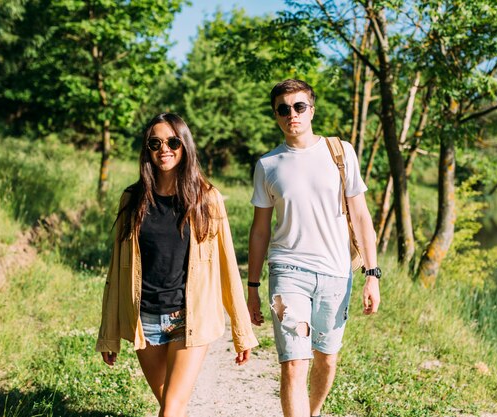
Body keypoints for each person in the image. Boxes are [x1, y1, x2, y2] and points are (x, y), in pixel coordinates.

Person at [96, 112, 258, 417]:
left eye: (172, 141)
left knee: (170, 410)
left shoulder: (207, 199)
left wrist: (242, 331)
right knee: (171, 406)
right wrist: (110, 332)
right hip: (145, 321)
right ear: (147, 149)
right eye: (154, 143)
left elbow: (227, 268)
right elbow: (117, 271)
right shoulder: (132, 200)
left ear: (185, 146)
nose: (163, 149)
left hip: (188, 319)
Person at [247, 79, 381, 417]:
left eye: (299, 107)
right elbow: (260, 231)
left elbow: (361, 216)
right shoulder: (267, 165)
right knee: (294, 364)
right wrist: (252, 287)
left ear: (311, 110)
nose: (291, 114)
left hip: (336, 273)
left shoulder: (340, 152)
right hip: (287, 271)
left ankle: (314, 411)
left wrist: (372, 275)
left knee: (326, 357)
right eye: (283, 109)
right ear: (275, 115)